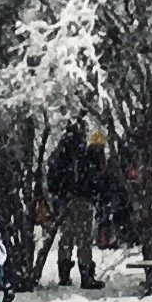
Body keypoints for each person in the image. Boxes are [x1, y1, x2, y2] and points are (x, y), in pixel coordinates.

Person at [46, 119, 106, 289]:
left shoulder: (60, 152)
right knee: (83, 239)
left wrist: (59, 194)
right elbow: (93, 174)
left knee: (66, 237)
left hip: (63, 200)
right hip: (82, 198)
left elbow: (52, 177)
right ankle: (86, 275)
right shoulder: (84, 152)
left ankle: (64, 274)